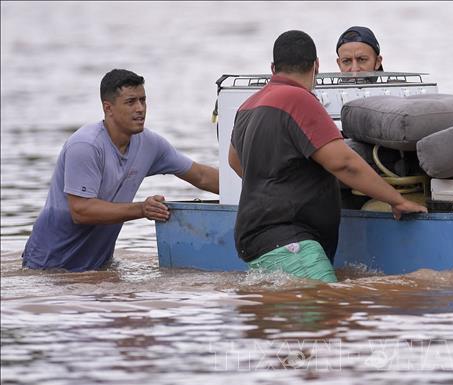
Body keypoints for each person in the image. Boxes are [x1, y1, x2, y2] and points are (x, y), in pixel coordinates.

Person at [227, 30, 426, 283]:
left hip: (258, 238)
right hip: (289, 239)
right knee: (327, 310)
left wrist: (277, 181)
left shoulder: (249, 104)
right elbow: (344, 164)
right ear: (316, 66)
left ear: (273, 68)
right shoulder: (299, 99)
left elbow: (235, 161)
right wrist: (397, 200)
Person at [22, 69, 220, 272]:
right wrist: (142, 209)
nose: (140, 109)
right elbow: (80, 211)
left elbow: (202, 177)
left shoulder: (151, 144)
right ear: (108, 108)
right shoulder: (85, 145)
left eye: (143, 100)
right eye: (131, 102)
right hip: (48, 267)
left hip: (99, 266)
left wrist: (251, 190)